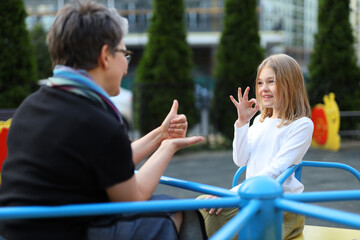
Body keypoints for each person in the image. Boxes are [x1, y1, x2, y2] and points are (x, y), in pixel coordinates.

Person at [0, 1, 204, 240]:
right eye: (124, 54)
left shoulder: (32, 106)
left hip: (13, 232)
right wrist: (168, 147)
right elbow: (133, 198)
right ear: (106, 55)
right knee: (172, 211)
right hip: (61, 233)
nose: (126, 67)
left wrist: (160, 135)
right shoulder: (96, 119)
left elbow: (109, 159)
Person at [198, 53, 314, 239]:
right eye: (260, 83)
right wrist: (242, 122)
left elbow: (276, 170)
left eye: (271, 82)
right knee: (201, 205)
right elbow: (240, 160)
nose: (263, 89)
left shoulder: (301, 125)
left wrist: (232, 193)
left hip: (279, 205)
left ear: (290, 84)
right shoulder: (260, 121)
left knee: (212, 217)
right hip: (252, 197)